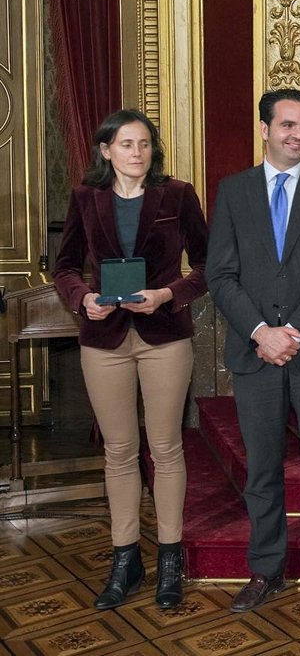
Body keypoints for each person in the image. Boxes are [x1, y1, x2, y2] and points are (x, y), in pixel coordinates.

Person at [208, 89, 300, 614]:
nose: (299, 134)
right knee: (262, 471)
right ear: (265, 129)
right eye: (288, 125)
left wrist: (291, 331)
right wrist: (260, 332)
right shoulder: (233, 191)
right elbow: (220, 274)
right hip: (256, 355)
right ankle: (266, 570)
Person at [52, 109, 208, 611]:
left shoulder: (177, 195)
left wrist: (167, 294)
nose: (137, 152)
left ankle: (169, 558)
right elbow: (65, 266)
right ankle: (125, 560)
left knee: (165, 448)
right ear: (106, 150)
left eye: (144, 143)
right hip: (104, 339)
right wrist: (82, 299)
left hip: (164, 337)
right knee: (119, 451)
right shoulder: (85, 197)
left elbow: (208, 266)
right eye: (126, 144)